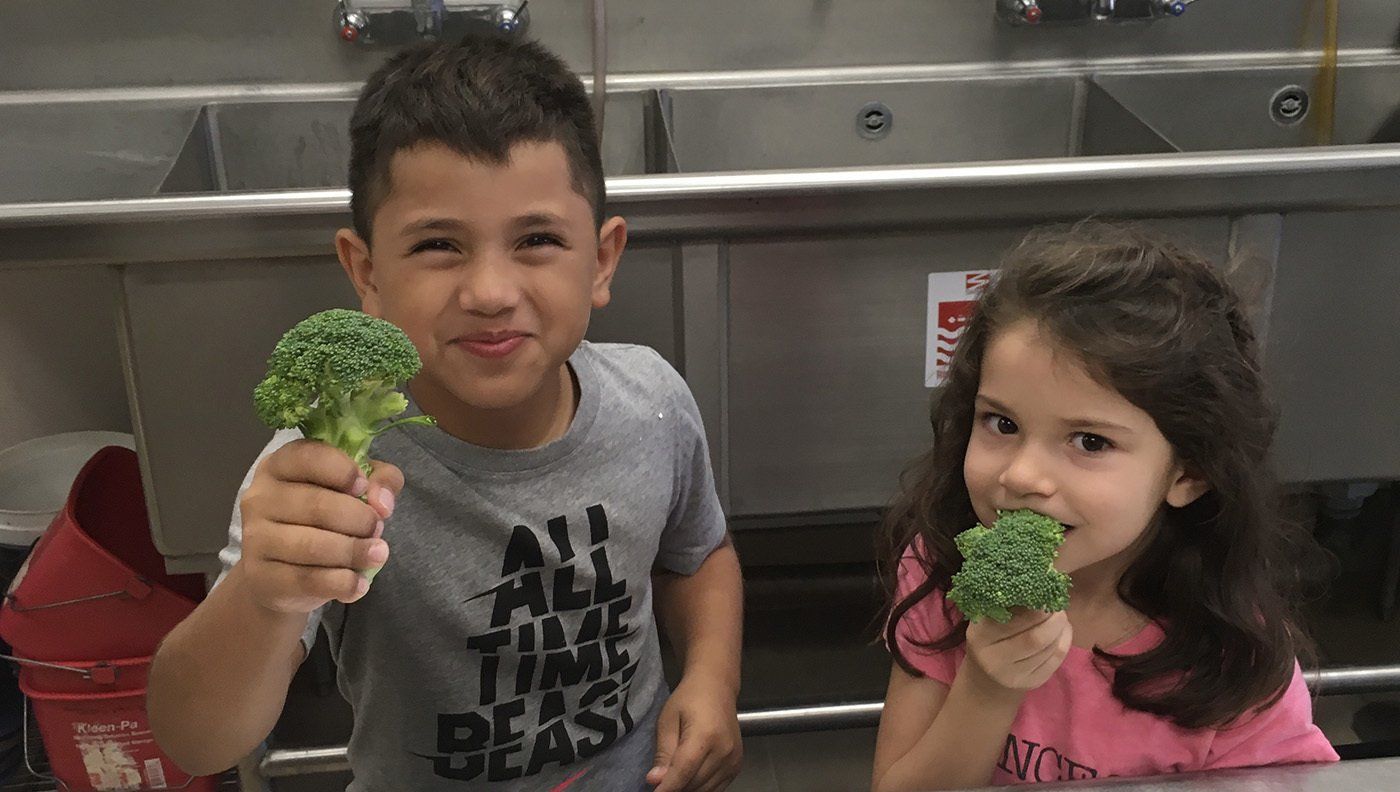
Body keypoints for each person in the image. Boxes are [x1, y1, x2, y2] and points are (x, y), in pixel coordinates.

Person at [150, 33, 744, 792]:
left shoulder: (653, 401)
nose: (490, 291)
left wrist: (713, 681)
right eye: (438, 244)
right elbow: (194, 740)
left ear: (601, 261)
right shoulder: (323, 471)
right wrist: (265, 596)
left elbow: (700, 557)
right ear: (366, 273)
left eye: (536, 239)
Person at [872, 223, 1337, 790]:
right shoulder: (942, 572)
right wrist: (986, 691)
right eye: (1003, 423)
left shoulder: (1235, 664)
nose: (1022, 475)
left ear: (1189, 471)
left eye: (1090, 441)